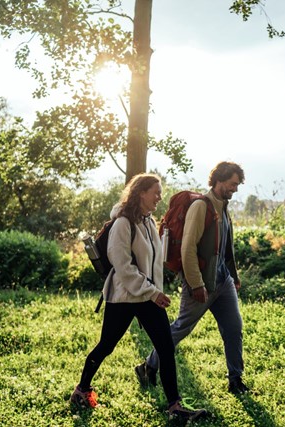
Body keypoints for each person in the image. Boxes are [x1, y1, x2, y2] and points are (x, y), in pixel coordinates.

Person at [70, 173, 206, 421]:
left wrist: (156, 289)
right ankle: (81, 390)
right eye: (155, 192)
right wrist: (152, 291)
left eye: (160, 192)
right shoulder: (123, 223)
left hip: (147, 297)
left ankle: (175, 407)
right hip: (123, 297)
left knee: (166, 347)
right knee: (106, 346)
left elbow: (153, 263)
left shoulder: (148, 222)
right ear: (140, 193)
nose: (159, 197)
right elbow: (123, 267)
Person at [136, 161, 249, 394]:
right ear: (218, 180)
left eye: (237, 185)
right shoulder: (201, 206)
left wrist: (233, 275)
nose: (235, 189)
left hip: (223, 280)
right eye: (232, 184)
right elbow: (188, 249)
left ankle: (235, 380)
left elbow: (226, 246)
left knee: (233, 328)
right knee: (181, 327)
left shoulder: (223, 207)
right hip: (202, 282)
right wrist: (196, 284)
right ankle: (148, 366)